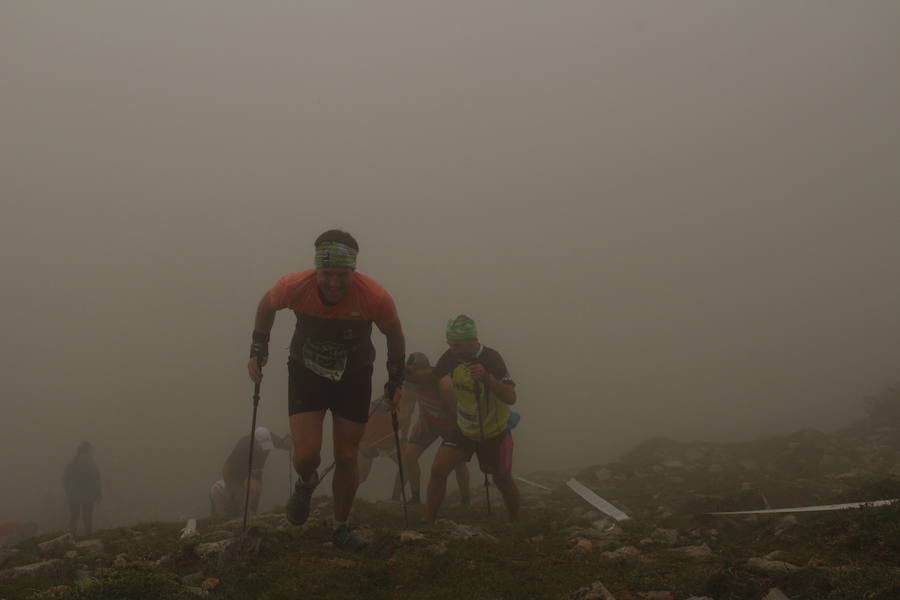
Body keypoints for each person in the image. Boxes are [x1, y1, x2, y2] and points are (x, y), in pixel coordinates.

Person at [246, 229, 405, 551]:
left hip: (354, 375)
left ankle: (340, 526)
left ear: (353, 271)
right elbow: (266, 306)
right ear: (316, 269)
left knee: (347, 455)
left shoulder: (374, 296)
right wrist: (257, 347)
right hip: (306, 371)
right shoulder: (293, 286)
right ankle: (306, 483)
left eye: (342, 275)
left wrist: (394, 380)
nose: (334, 283)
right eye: (327, 274)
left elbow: (394, 335)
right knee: (307, 455)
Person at [423, 315, 520, 523]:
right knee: (438, 470)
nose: (453, 349)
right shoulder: (450, 356)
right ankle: (428, 521)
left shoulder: (492, 358)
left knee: (502, 480)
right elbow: (434, 378)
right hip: (464, 430)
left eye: (457, 345)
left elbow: (511, 397)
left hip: (493, 432)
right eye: (449, 344)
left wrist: (487, 379)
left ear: (473, 340)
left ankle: (515, 521)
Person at [401, 352, 470, 506]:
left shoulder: (443, 383)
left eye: (412, 373)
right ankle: (415, 498)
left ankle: (466, 499)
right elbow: (419, 398)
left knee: (458, 462)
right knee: (410, 456)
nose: (409, 378)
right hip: (429, 424)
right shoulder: (414, 381)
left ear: (423, 371)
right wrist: (422, 417)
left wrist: (460, 432)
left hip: (451, 426)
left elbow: (456, 410)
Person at [219, 427, 290, 519]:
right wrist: (230, 486)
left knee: (257, 490)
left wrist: (289, 441)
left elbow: (284, 444)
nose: (264, 449)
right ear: (255, 441)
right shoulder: (244, 445)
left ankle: (252, 514)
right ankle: (237, 515)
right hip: (237, 473)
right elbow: (227, 468)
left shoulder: (270, 438)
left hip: (255, 470)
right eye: (262, 446)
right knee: (241, 497)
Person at [357, 391, 415, 500]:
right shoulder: (382, 405)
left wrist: (404, 438)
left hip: (390, 443)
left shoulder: (410, 401)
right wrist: (360, 440)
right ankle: (347, 500)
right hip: (369, 442)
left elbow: (408, 418)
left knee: (407, 466)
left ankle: (395, 499)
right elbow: (365, 417)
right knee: (361, 475)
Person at [63, 441, 101, 536]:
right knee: (87, 516)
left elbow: (66, 479)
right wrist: (97, 493)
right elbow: (96, 480)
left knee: (74, 516)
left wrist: (68, 491)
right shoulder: (91, 463)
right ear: (88, 450)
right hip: (88, 495)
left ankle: (71, 536)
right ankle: (88, 535)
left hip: (73, 495)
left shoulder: (72, 463)